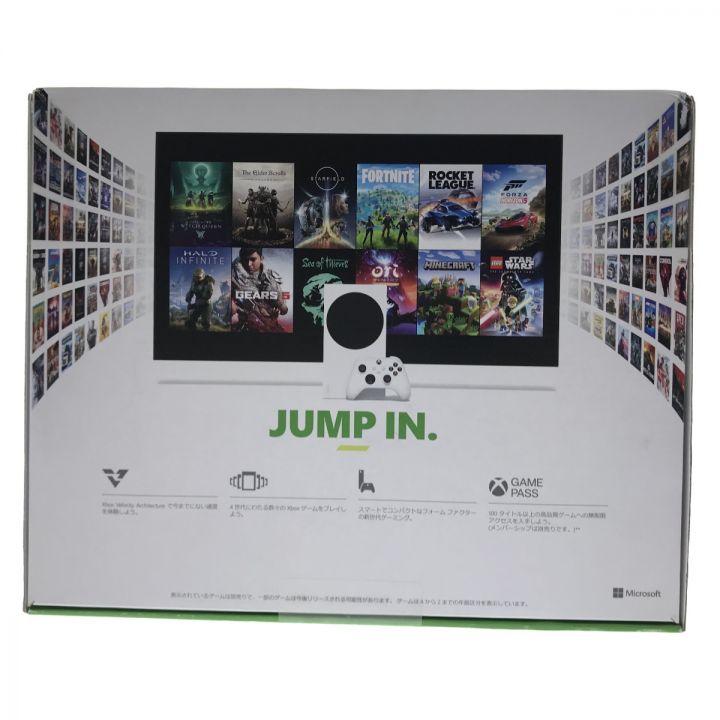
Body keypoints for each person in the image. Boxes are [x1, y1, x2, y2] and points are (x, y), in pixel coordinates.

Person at [231, 248, 287, 332]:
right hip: (246, 326)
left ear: (261, 258)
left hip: (270, 325)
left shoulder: (271, 276)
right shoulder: (234, 277)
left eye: (253, 259)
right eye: (245, 260)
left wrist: (280, 305)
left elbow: (283, 307)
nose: (249, 264)